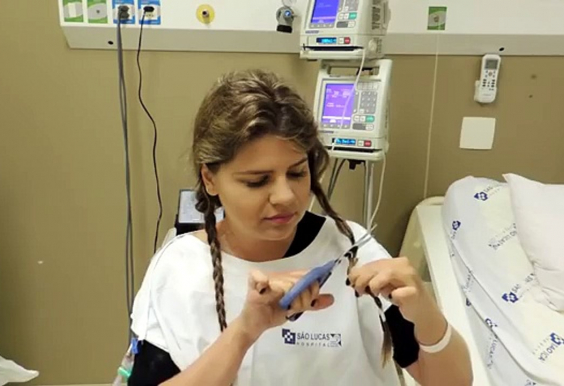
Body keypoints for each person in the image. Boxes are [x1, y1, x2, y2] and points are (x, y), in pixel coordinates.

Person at [128, 70, 473, 386]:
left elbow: (453, 383)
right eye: (257, 181)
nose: (285, 196)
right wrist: (246, 331)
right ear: (210, 179)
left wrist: (426, 314)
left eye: (297, 173)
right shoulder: (180, 270)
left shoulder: (352, 250)